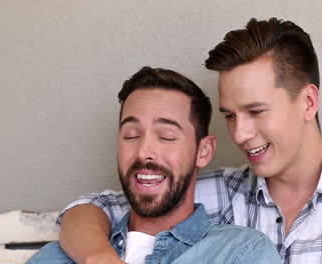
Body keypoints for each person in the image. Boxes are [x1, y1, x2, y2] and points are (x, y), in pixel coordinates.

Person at [56, 18, 322, 263]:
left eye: (256, 111)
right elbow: (94, 207)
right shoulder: (221, 193)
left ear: (308, 102)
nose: (240, 134)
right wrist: (98, 257)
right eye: (230, 115)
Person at [26, 67, 280, 264]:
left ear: (203, 151)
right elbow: (89, 207)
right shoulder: (59, 257)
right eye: (131, 135)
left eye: (166, 137)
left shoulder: (239, 252)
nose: (144, 151)